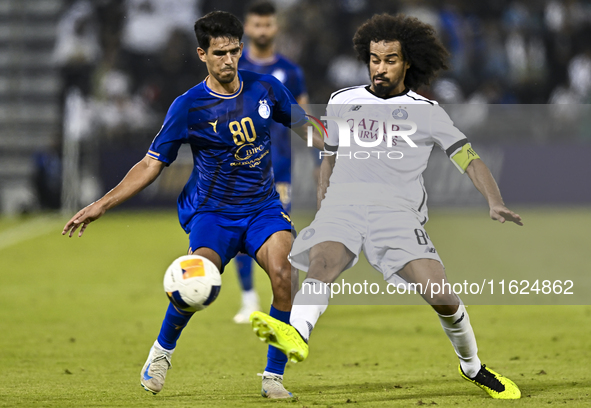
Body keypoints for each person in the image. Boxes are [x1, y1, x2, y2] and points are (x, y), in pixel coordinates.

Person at [250, 13, 523, 400]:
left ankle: (473, 366)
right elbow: (329, 155)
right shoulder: (344, 101)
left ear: (406, 62)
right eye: (374, 59)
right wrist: (325, 199)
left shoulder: (426, 111)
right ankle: (297, 333)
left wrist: (494, 202)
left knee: (440, 295)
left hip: (397, 214)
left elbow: (469, 158)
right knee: (323, 265)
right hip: (344, 207)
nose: (380, 68)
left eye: (390, 60)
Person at [62, 11, 322, 399]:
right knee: (195, 284)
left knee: (285, 276)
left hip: (262, 209)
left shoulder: (266, 89)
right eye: (220, 53)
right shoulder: (189, 106)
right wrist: (103, 203)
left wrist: (345, 145)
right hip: (212, 214)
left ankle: (273, 376)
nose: (229, 60)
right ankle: (162, 352)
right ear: (202, 53)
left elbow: (307, 129)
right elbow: (151, 163)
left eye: (234, 51)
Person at [230, 0, 309, 324]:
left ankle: (285, 302)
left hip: (281, 169)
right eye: (256, 25)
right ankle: (249, 299)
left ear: (275, 28)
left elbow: (303, 121)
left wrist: (321, 157)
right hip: (240, 168)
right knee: (237, 236)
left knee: (281, 235)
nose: (262, 30)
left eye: (267, 25)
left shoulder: (291, 72)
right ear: (247, 28)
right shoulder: (230, 68)